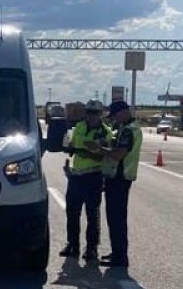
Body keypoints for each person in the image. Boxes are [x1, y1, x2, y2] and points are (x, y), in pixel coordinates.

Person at [59, 100, 109, 260]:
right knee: (72, 213)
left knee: (92, 215)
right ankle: (72, 244)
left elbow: (101, 152)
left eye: (95, 112)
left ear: (100, 114)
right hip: (76, 176)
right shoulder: (79, 126)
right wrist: (77, 146)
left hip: (93, 177)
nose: (91, 116)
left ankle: (92, 248)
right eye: (89, 112)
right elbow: (70, 143)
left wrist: (83, 150)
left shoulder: (105, 131)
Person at [98, 100, 143, 269]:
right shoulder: (130, 128)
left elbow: (119, 155)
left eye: (115, 115)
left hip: (119, 178)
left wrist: (99, 149)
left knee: (116, 218)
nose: (114, 119)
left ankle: (119, 256)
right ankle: (117, 252)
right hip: (122, 177)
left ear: (123, 112)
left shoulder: (128, 131)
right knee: (117, 218)